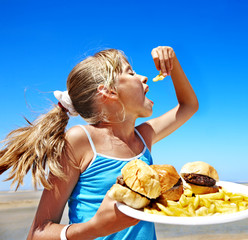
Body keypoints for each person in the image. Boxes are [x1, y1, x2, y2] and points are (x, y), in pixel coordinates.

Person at [0, 46, 198, 240]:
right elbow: (37, 233)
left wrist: (173, 63)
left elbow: (189, 105)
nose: (143, 77)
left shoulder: (143, 137)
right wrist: (94, 229)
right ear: (109, 92)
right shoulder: (80, 140)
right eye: (131, 73)